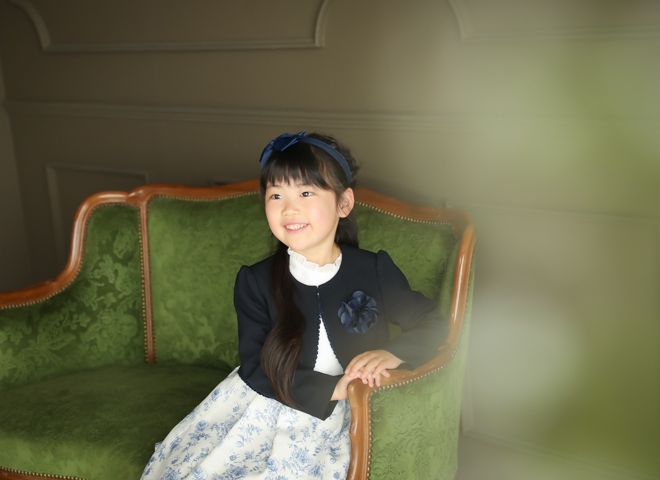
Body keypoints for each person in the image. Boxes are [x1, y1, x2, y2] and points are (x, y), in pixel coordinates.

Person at [141, 132, 448, 480]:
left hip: (355, 407)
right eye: (276, 195)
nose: (289, 208)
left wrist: (392, 354)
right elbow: (255, 367)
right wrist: (333, 388)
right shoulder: (255, 281)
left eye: (306, 192)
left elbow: (432, 322)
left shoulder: (373, 269)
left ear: (344, 203)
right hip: (272, 401)